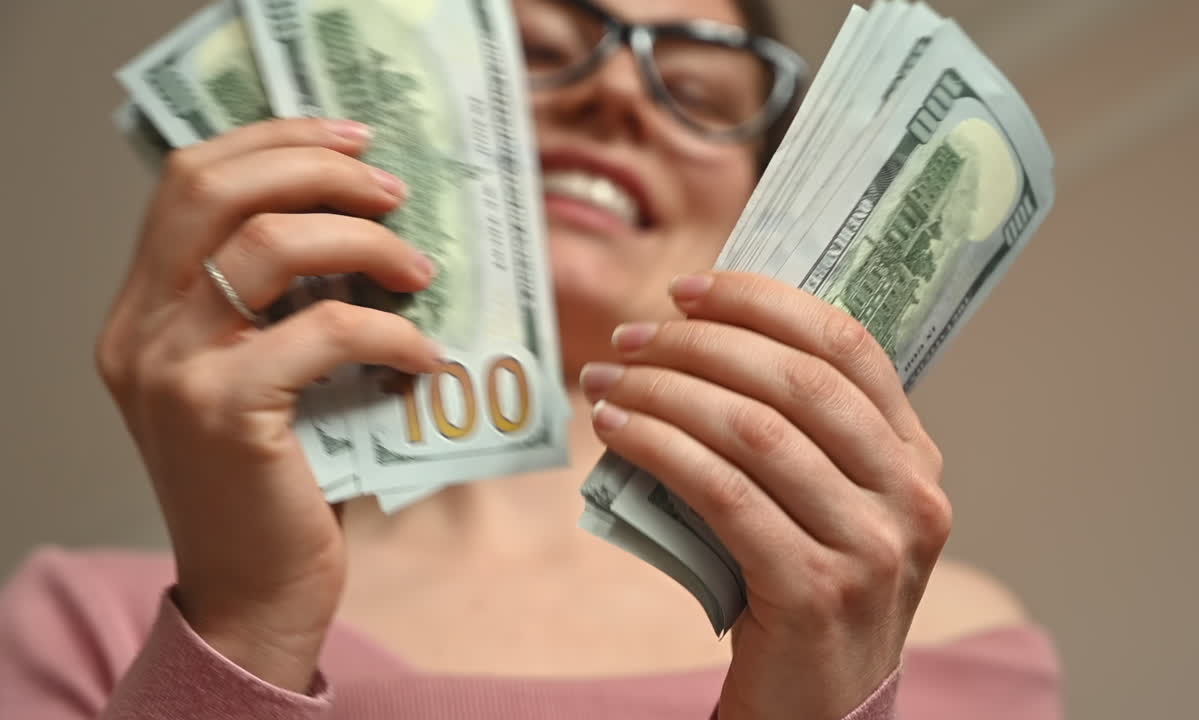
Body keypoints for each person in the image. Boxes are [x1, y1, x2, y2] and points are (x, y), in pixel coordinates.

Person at [0, 0, 1060, 718]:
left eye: (696, 86)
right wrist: (241, 625)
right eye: (545, 46)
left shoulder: (940, 638)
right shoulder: (83, 619)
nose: (621, 99)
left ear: (760, 205)